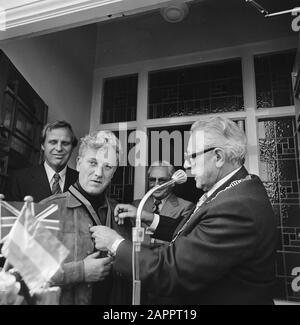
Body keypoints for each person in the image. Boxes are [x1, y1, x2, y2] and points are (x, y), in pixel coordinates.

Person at [91, 116, 278, 305]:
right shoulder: (236, 190)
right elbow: (194, 234)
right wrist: (149, 217)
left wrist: (115, 243)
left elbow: (172, 271)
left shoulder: (236, 207)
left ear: (219, 157)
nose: (187, 165)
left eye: (192, 156)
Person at [40, 130, 131, 305]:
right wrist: (80, 271)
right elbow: (23, 271)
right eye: (92, 162)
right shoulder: (48, 208)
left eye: (108, 166)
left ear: (114, 172)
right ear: (79, 163)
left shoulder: (122, 214)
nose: (98, 173)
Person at [6, 120, 78, 202]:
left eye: (65, 143)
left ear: (72, 148)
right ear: (43, 146)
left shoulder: (81, 181)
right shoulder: (19, 179)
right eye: (53, 142)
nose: (59, 148)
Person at [133, 160, 194, 247]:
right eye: (152, 180)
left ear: (172, 183)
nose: (156, 185)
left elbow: (184, 240)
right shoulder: (136, 205)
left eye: (162, 180)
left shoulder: (185, 207)